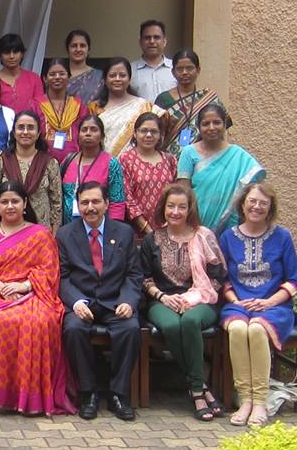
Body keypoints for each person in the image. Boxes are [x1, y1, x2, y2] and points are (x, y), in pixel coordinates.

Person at [0, 181, 76, 415]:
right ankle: (7, 393)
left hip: (33, 292)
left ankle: (33, 395)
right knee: (1, 321)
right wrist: (4, 288)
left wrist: (24, 286)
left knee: (42, 321)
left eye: (15, 201)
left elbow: (49, 271)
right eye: (4, 202)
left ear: (25, 204)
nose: (10, 206)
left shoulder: (40, 234)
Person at [57, 182, 142, 421]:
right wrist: (75, 303)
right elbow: (62, 277)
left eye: (95, 202)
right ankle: (88, 393)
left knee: (130, 328)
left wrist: (128, 301)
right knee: (72, 329)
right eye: (84, 202)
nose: (90, 207)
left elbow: (134, 275)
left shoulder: (124, 233)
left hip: (116, 301)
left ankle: (118, 394)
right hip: (82, 302)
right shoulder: (65, 234)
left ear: (106, 204)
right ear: (78, 205)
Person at [141, 183, 226, 421]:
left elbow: (218, 277)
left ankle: (196, 391)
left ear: (190, 210)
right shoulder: (153, 239)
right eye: (171, 206)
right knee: (170, 326)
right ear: (163, 208)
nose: (175, 212)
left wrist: (194, 297)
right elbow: (144, 278)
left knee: (189, 322)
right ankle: (200, 386)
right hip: (162, 299)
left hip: (201, 300)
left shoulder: (204, 236)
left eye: (181, 207)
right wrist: (163, 296)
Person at [219, 182, 297, 427]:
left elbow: (294, 279)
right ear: (243, 204)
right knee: (240, 329)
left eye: (263, 203)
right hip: (237, 304)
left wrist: (269, 302)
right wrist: (238, 301)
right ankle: (244, 400)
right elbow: (221, 279)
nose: (257, 206)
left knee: (256, 329)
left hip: (274, 307)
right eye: (252, 201)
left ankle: (260, 401)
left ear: (270, 208)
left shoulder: (282, 237)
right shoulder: (228, 237)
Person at [176, 103, 264, 234]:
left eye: (217, 122)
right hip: (196, 226)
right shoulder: (188, 153)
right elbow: (183, 193)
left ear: (224, 125)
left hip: (229, 227)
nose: (211, 128)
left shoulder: (238, 155)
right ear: (199, 127)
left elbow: (253, 185)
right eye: (206, 124)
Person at [0, 111, 61, 234]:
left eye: (30, 128)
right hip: (8, 232)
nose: (25, 132)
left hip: (41, 233)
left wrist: (54, 235)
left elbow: (56, 203)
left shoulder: (49, 163)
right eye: (21, 127)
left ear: (38, 134)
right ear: (14, 133)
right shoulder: (2, 161)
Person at [154, 49, 229, 155]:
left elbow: (221, 132)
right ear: (173, 72)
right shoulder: (163, 99)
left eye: (189, 68)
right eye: (180, 69)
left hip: (204, 157)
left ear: (198, 70)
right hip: (169, 159)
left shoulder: (208, 98)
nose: (185, 72)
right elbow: (155, 132)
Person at [119, 113, 177, 242]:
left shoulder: (169, 160)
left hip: (168, 231)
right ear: (135, 133)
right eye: (144, 130)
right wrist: (147, 230)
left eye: (154, 131)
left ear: (160, 135)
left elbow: (176, 193)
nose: (149, 135)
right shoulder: (126, 160)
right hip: (136, 234)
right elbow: (127, 198)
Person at [88, 57, 163, 157]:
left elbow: (161, 127)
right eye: (112, 75)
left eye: (122, 75)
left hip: (137, 165)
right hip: (104, 165)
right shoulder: (94, 108)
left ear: (129, 79)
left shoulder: (143, 106)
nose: (117, 79)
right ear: (105, 80)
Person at [60, 115, 125, 223]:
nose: (88, 133)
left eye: (93, 129)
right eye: (84, 130)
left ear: (102, 136)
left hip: (99, 231)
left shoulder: (111, 164)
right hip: (68, 231)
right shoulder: (68, 160)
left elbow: (117, 203)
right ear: (78, 135)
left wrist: (112, 232)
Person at [33, 57, 88, 163]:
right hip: (43, 163)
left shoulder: (78, 106)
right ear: (45, 78)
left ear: (69, 77)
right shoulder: (36, 105)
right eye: (52, 74)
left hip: (74, 163)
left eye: (62, 74)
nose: (57, 77)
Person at [0, 33, 44, 114]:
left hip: (29, 125)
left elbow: (40, 108)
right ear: (0, 55)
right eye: (7, 52)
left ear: (22, 54)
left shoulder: (34, 78)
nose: (11, 56)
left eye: (15, 52)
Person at [130, 19, 176, 102]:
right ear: (140, 42)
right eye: (147, 38)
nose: (152, 41)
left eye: (156, 37)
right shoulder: (129, 70)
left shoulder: (176, 68)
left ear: (164, 41)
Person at [65, 29, 104, 107]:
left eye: (82, 46)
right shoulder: (58, 75)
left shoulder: (99, 76)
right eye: (74, 46)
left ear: (88, 50)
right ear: (67, 49)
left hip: (90, 118)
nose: (78, 49)